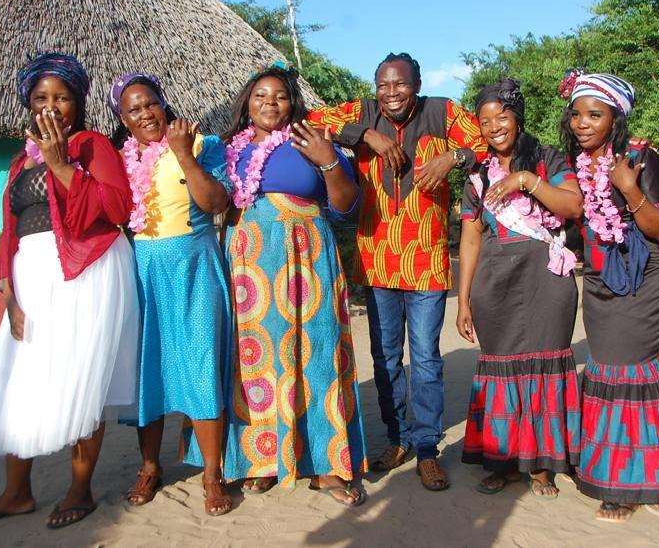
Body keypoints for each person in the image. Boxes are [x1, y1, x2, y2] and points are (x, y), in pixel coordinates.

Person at [0, 53, 139, 530]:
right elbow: (10, 229)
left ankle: (80, 489)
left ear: (77, 103)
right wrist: (9, 294)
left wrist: (61, 163)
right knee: (22, 376)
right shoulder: (21, 160)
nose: (51, 106)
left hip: (87, 269)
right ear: (29, 103)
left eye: (62, 98)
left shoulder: (92, 145)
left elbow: (117, 208)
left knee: (82, 376)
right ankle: (16, 493)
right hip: (33, 274)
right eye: (42, 98)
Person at [308, 53, 487, 490]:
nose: (391, 93)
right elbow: (311, 120)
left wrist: (454, 159)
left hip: (426, 262)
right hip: (376, 259)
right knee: (386, 357)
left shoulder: (441, 112)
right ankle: (398, 438)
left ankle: (427, 449)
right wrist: (366, 134)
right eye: (383, 85)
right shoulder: (365, 113)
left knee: (425, 357)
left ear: (417, 84)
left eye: (400, 85)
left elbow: (485, 143)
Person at [217, 64, 367, 506]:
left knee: (316, 351)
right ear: (247, 101)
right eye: (260, 95)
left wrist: (329, 162)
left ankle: (324, 465)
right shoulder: (230, 148)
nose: (270, 102)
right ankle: (264, 459)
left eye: (280, 95)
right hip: (250, 262)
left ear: (292, 103)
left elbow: (346, 205)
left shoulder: (310, 140)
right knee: (257, 355)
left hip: (308, 256)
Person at [108, 73, 235, 515]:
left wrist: (183, 154)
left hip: (194, 265)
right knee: (149, 369)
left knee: (200, 362)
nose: (145, 115)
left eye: (150, 104)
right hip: (142, 270)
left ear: (164, 103)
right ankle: (149, 467)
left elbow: (217, 203)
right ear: (122, 120)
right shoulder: (119, 160)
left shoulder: (204, 143)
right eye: (133, 110)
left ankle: (212, 474)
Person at [558, 70, 659, 522]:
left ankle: (635, 483)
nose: (582, 123)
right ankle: (623, 472)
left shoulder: (642, 159)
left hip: (644, 277)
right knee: (608, 370)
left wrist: (628, 188)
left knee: (636, 373)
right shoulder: (575, 164)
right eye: (577, 114)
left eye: (595, 114)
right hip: (601, 280)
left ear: (616, 119)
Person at [456, 79, 582, 497]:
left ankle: (542, 463)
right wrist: (463, 300)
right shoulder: (475, 175)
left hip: (546, 278)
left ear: (518, 117)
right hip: (495, 280)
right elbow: (471, 238)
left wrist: (525, 179)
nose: (494, 126)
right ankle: (505, 460)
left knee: (544, 364)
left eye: (502, 116)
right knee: (502, 366)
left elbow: (572, 205)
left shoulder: (548, 158)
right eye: (485, 120)